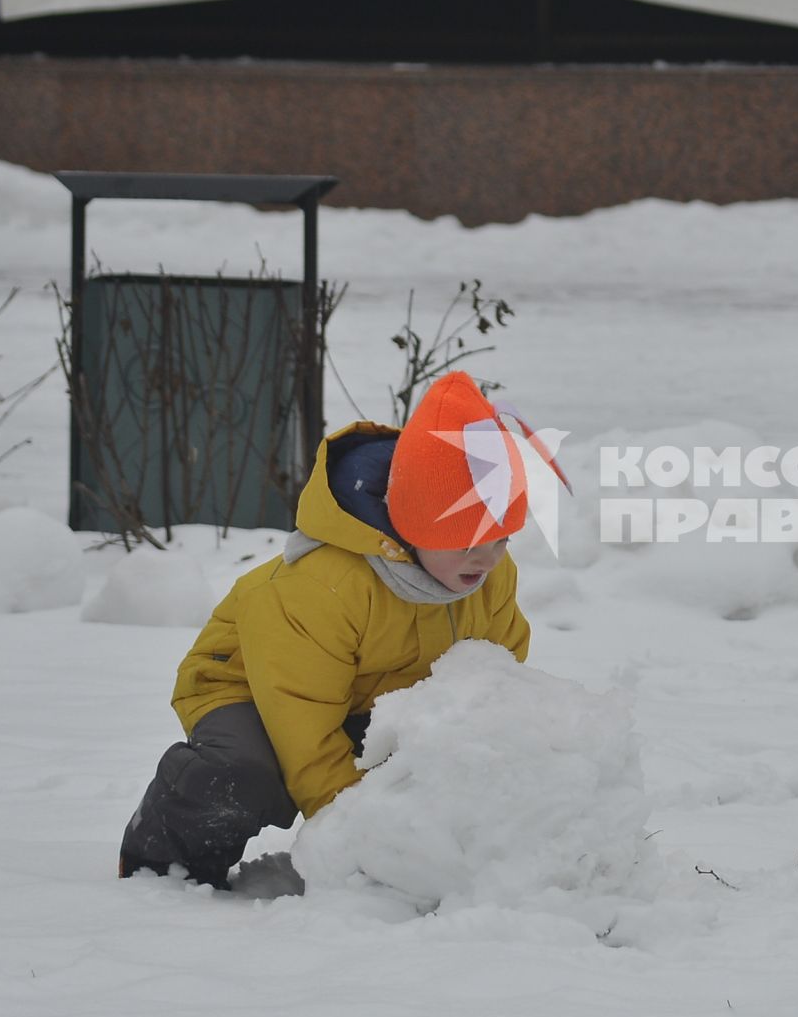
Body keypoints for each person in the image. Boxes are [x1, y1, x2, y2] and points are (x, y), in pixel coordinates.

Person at [118, 371, 566, 886]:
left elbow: (495, 688)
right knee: (248, 776)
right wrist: (365, 842)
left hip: (369, 695)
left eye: (502, 539)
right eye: (467, 539)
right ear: (417, 525)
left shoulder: (487, 576)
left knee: (427, 762)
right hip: (254, 692)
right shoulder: (325, 586)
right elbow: (304, 726)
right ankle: (165, 859)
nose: (487, 559)